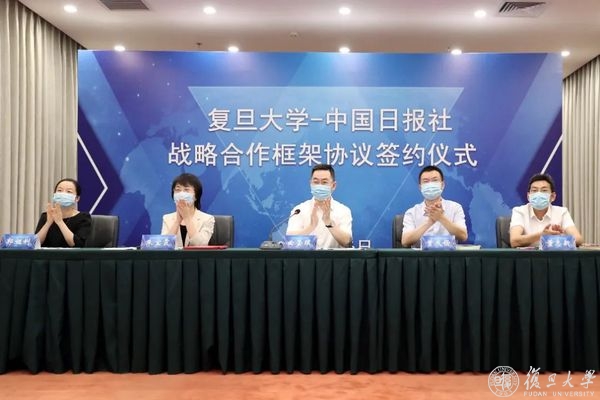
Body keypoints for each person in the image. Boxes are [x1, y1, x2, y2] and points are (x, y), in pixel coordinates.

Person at [286, 164, 353, 249]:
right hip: (306, 258)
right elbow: (290, 243)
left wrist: (329, 223)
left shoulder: (343, 210)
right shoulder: (299, 210)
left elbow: (347, 243)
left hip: (334, 257)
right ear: (310, 184)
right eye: (316, 182)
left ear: (333, 186)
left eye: (324, 182)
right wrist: (311, 227)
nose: (319, 186)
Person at [509, 173, 583, 248]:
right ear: (528, 196)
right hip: (528, 255)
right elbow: (514, 241)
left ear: (552, 196)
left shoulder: (562, 212)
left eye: (544, 190)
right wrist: (542, 235)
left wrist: (560, 237)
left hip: (553, 255)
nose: (538, 194)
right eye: (534, 190)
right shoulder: (519, 211)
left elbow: (578, 239)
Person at [401, 165, 468, 247]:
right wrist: (429, 222)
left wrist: (441, 218)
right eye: (426, 181)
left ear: (442, 185)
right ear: (420, 187)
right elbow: (405, 241)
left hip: (448, 254)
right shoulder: (412, 212)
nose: (430, 184)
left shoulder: (455, 208)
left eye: (435, 180)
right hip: (421, 255)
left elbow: (463, 236)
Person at [161, 173, 215, 247]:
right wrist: (177, 221)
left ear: (196, 196)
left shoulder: (207, 219)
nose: (181, 194)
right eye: (178, 190)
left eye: (186, 190)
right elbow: (164, 245)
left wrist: (187, 218)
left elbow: (200, 245)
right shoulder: (167, 218)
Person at [35, 178, 92, 247]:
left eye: (69, 191)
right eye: (59, 190)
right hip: (47, 254)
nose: (63, 194)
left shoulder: (83, 218)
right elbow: (36, 243)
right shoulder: (46, 216)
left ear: (77, 198)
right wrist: (48, 223)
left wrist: (60, 222)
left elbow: (77, 244)